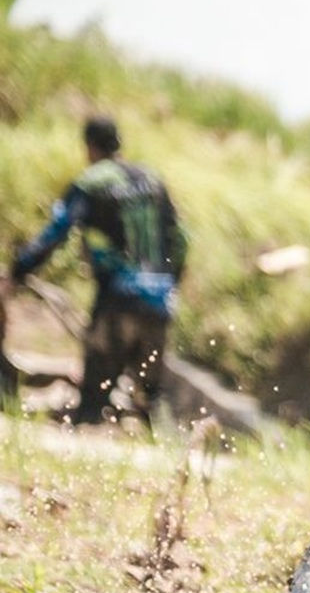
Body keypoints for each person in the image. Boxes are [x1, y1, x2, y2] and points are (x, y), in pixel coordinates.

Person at [4, 115, 187, 424]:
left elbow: (55, 233)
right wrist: (170, 284)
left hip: (117, 300)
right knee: (150, 403)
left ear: (89, 147)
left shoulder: (91, 183)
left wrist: (18, 271)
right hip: (159, 302)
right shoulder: (153, 181)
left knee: (94, 401)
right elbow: (181, 240)